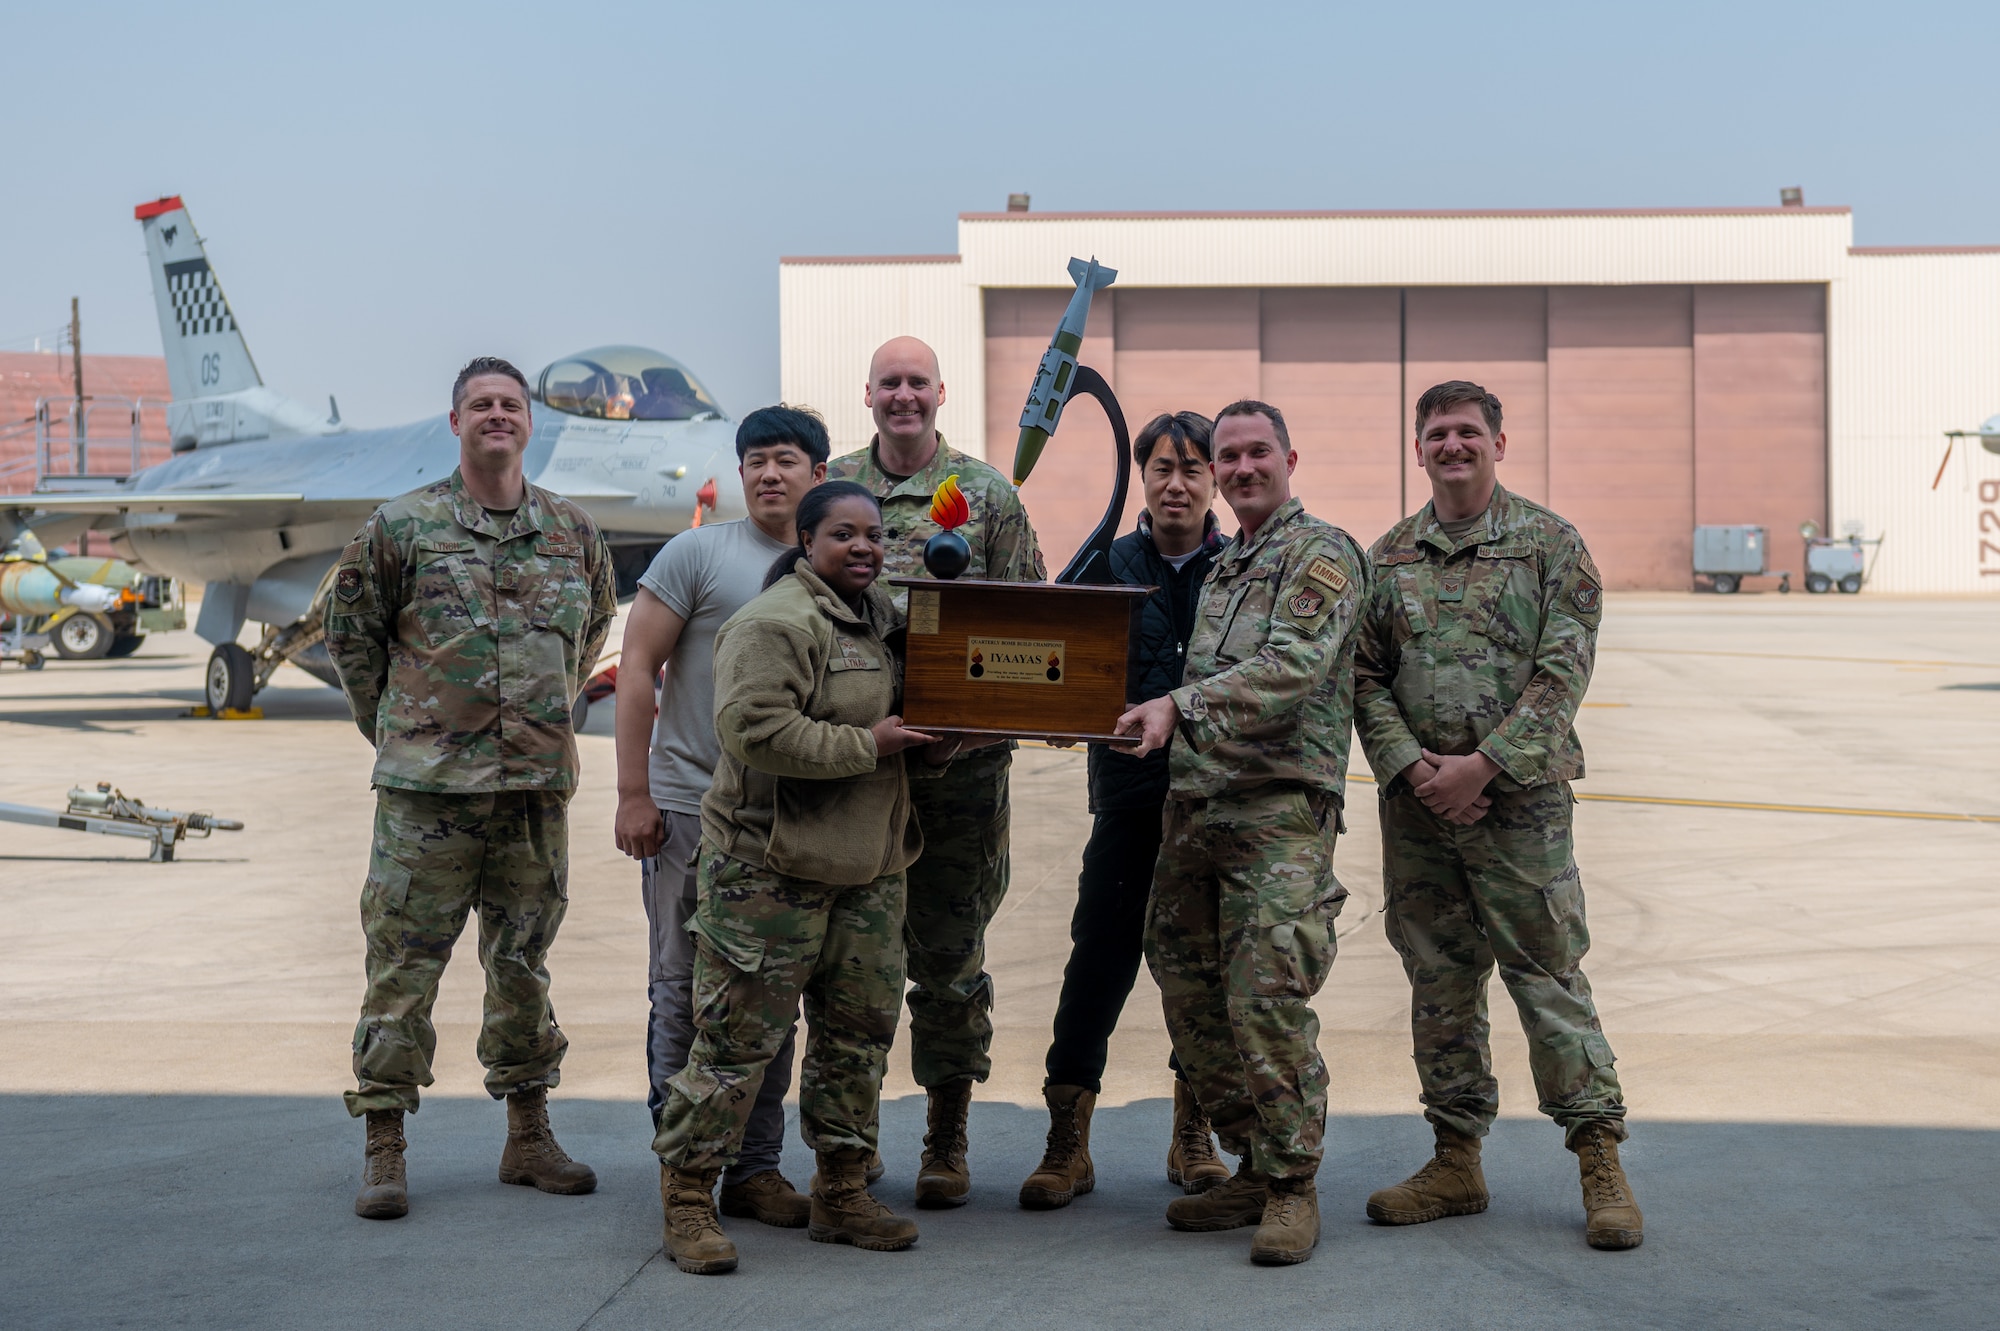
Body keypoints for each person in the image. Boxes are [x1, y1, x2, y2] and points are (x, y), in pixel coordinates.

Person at [1352, 380, 1642, 1251]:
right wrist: (1410, 766)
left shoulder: (1552, 546)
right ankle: (1455, 1158)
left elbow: (1564, 674)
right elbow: (1362, 675)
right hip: (1419, 815)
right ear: (1419, 450)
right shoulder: (1388, 558)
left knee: (1549, 980)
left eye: (1468, 431)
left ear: (1498, 444)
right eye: (1437, 433)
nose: (1453, 445)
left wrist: (1483, 766)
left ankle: (1599, 1157)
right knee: (1439, 985)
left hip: (1522, 811)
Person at [326, 356, 618, 1221]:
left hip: (532, 795)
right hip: (427, 799)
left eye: (511, 404)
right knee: (402, 968)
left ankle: (528, 1135)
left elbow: (591, 631)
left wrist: (538, 723)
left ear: (530, 424)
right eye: (481, 404)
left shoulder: (571, 532)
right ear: (454, 421)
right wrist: (403, 729)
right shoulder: (403, 528)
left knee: (523, 964)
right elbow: (351, 635)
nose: (498, 415)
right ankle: (384, 1142)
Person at [652, 481, 951, 1274]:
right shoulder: (775, 621)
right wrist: (872, 744)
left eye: (875, 535)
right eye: (844, 535)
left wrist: (937, 740)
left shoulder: (885, 617)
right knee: (735, 1043)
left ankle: (842, 1190)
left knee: (857, 1039)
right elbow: (753, 731)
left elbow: (918, 709)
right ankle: (688, 1195)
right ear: (809, 542)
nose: (864, 547)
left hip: (870, 867)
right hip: (768, 873)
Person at [1115, 399, 1368, 1267]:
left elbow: (1294, 667)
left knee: (1267, 994)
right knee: (1188, 988)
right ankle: (1253, 1158)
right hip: (1198, 814)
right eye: (1230, 455)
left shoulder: (1320, 553)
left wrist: (1175, 706)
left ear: (1289, 457)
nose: (1243, 467)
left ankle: (1294, 1183)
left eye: (1258, 451)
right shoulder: (1227, 570)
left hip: (1278, 814)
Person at [824, 335, 1045, 1207]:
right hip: (857, 774)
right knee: (854, 964)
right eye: (890, 383)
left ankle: (946, 1134)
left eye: (918, 382)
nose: (903, 395)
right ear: (868, 393)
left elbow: (1029, 630)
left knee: (949, 965)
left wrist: (970, 729)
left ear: (941, 393)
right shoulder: (831, 485)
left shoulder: (985, 497)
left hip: (960, 779)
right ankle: (854, 1136)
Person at [612, 405, 828, 1230]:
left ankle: (757, 1167)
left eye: (786, 460)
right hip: (689, 810)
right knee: (681, 993)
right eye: (756, 462)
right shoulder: (698, 552)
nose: (769, 474)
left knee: (772, 1003)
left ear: (817, 471)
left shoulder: (836, 558)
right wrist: (636, 793)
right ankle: (684, 1173)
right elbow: (637, 669)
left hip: (790, 824)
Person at [1018, 411, 1231, 1210]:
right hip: (1130, 802)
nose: (1177, 483)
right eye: (1162, 468)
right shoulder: (1108, 563)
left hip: (1214, 806)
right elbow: (1047, 660)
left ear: (1214, 481)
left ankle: (1193, 1132)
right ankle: (1066, 1141)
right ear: (1142, 477)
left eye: (1193, 468)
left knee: (1202, 970)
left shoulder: (1241, 567)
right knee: (1098, 963)